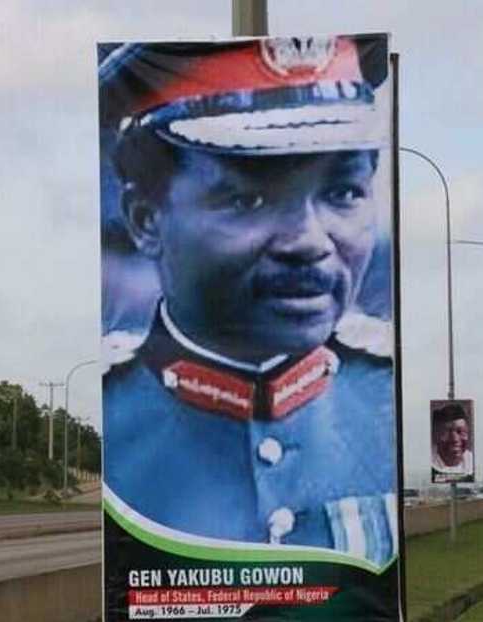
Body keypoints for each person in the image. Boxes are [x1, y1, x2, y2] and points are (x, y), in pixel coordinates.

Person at [100, 36, 398, 568]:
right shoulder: (108, 428)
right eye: (247, 198)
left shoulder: (384, 403)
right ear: (145, 219)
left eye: (343, 192)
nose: (308, 240)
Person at [431, 403, 474, 477]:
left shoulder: (472, 462)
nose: (455, 439)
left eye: (461, 431)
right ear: (435, 435)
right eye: (446, 432)